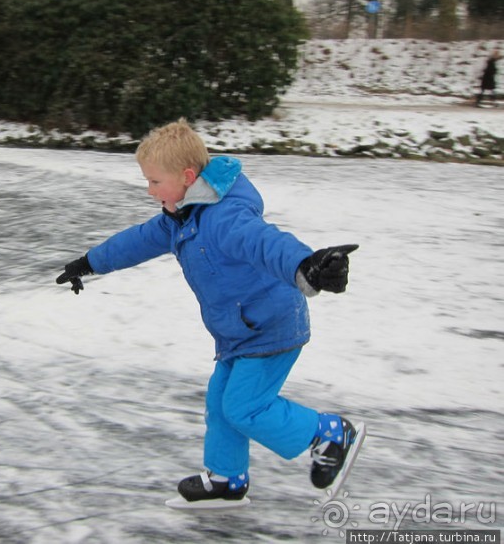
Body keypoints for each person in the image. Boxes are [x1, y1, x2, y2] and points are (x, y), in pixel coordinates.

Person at [56, 119, 364, 506]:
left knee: (245, 407)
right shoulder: (180, 217)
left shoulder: (224, 217)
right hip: (238, 331)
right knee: (221, 404)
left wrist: (307, 265)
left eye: (155, 182)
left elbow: (265, 243)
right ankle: (226, 479)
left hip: (270, 326)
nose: (150, 191)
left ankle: (328, 433)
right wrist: (89, 262)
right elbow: (136, 241)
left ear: (186, 177)